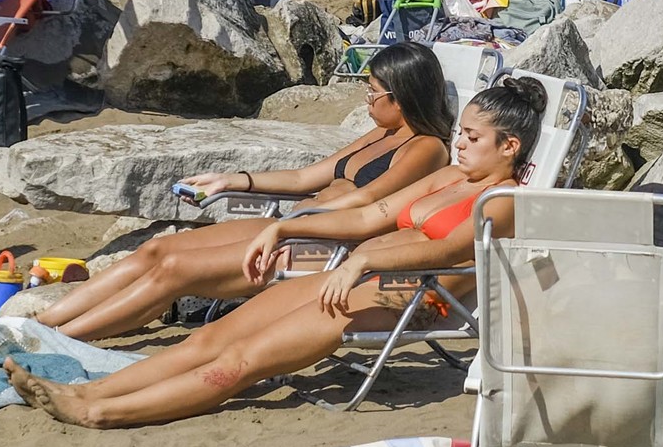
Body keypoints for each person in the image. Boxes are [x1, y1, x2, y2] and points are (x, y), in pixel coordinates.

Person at [34, 44, 457, 340]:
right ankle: (42, 323)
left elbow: (367, 203)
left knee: (176, 270)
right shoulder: (378, 133)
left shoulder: (426, 149)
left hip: (323, 248)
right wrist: (232, 180)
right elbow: (305, 178)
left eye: (372, 90)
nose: (365, 98)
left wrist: (298, 223)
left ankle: (64, 336)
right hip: (291, 228)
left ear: (400, 98)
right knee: (158, 251)